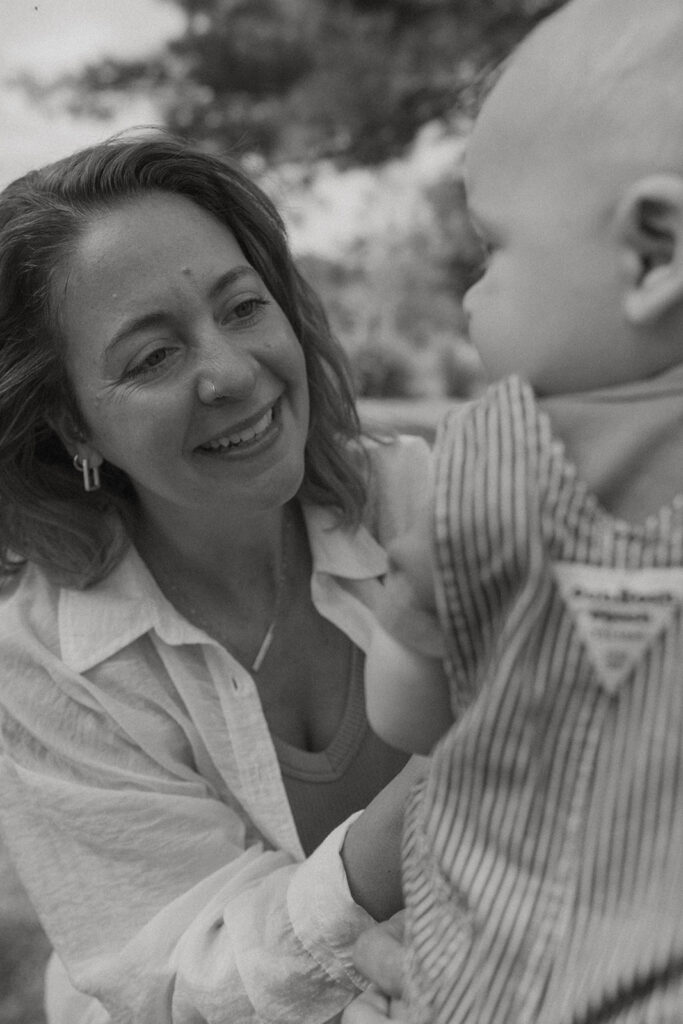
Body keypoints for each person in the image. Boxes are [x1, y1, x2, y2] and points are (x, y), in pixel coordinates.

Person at [0, 131, 432, 1024]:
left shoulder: (418, 499)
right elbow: (183, 973)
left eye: (242, 308)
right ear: (72, 429)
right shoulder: (41, 665)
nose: (232, 373)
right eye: (153, 357)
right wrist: (430, 810)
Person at [351, 0, 683, 1020]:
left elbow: (403, 710)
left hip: (496, 968)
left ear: (649, 253)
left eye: (492, 249)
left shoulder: (483, 465)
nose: (469, 297)